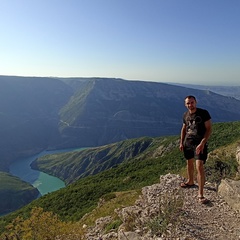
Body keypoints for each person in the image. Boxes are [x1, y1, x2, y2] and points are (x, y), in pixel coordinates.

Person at [179, 95, 212, 204]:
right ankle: (190, 181)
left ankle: (201, 194)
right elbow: (184, 128)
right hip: (188, 143)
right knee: (189, 163)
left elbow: (209, 129)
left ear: (196, 102)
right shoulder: (185, 115)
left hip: (199, 144)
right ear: (185, 104)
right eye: (188, 103)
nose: (190, 105)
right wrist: (181, 142)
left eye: (192, 102)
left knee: (199, 166)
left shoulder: (203, 113)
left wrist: (203, 143)